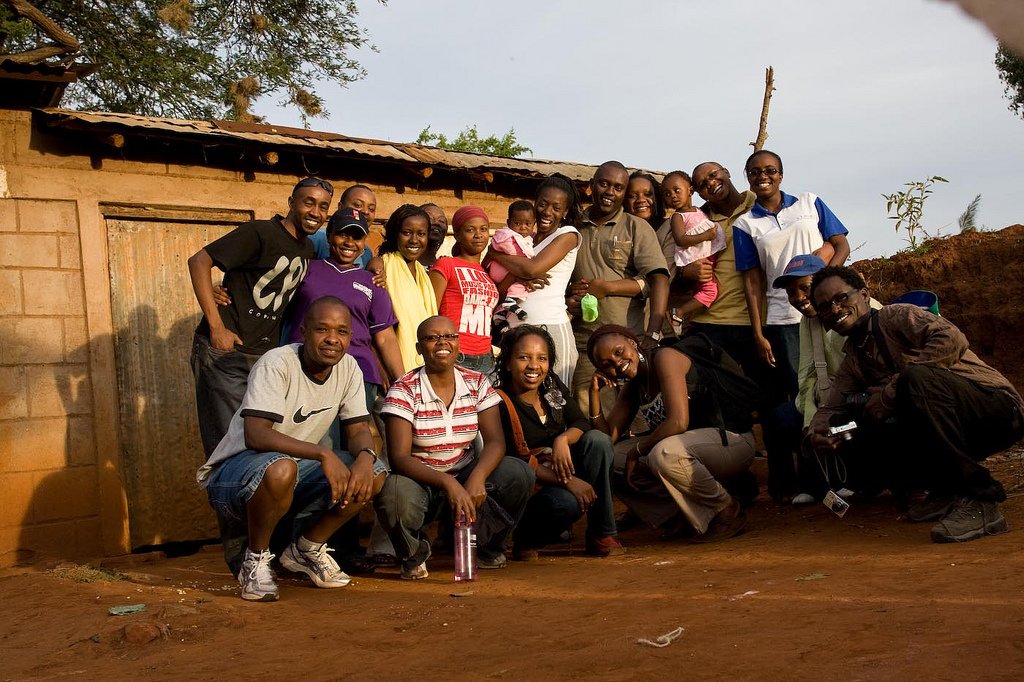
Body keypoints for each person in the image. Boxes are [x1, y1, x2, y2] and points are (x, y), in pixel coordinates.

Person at [808, 266, 1024, 544]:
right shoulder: (854, 357)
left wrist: (889, 392)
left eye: (840, 298)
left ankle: (981, 500)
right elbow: (830, 407)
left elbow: (952, 338)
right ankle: (944, 489)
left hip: (998, 410)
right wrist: (819, 432)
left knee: (914, 380)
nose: (835, 309)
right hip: (956, 423)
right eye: (825, 306)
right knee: (848, 425)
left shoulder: (895, 316)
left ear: (864, 295)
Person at [195, 297, 387, 601]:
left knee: (374, 473)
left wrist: (366, 456)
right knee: (282, 467)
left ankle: (307, 548)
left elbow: (359, 429)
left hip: (291, 470)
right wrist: (323, 453)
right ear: (304, 331)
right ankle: (255, 559)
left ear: (351, 337)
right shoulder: (277, 363)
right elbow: (256, 436)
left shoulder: (349, 367)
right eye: (322, 329)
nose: (332, 339)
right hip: (233, 478)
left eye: (341, 331)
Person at [375, 316, 535, 579]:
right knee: (393, 494)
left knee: (518, 472)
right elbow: (399, 457)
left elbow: (496, 442)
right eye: (432, 338)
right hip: (422, 480)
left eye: (450, 336)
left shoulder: (476, 383)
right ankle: (414, 554)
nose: (442, 343)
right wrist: (449, 484)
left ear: (458, 344)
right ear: (418, 348)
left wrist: (476, 478)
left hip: (465, 472)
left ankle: (488, 547)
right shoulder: (403, 390)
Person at [187, 176, 331, 456]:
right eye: (308, 203)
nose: (315, 212)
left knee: (262, 442)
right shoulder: (260, 232)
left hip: (263, 358)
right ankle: (227, 499)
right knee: (228, 446)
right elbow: (199, 261)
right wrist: (216, 326)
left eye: (323, 207)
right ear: (292, 203)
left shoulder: (308, 248)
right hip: (227, 353)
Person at [587, 325, 756, 541]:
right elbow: (607, 439)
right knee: (611, 459)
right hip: (694, 452)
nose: (617, 363)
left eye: (619, 352)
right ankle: (676, 516)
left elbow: (678, 422)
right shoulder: (635, 384)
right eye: (607, 364)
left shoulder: (665, 357)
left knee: (664, 453)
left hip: (733, 441)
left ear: (632, 342)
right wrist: (593, 395)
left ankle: (726, 509)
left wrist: (637, 450)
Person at [492, 326, 622, 558]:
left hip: (559, 467)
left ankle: (603, 533)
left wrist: (563, 439)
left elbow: (580, 423)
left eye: (542, 358)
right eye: (524, 358)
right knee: (565, 504)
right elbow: (516, 460)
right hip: (532, 484)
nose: (534, 366)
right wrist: (569, 482)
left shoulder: (551, 387)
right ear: (509, 362)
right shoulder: (498, 402)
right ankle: (526, 540)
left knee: (598, 441)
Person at [733, 149, 850, 393]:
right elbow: (752, 283)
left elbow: (841, 245)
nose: (762, 176)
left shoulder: (809, 203)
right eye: (755, 172)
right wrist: (758, 333)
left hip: (828, 306)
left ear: (781, 175)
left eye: (770, 170)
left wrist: (825, 287)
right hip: (784, 317)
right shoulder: (745, 224)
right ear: (748, 178)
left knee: (844, 371)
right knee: (803, 386)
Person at [772, 254, 881, 504]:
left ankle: (864, 480)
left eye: (804, 288)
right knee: (785, 417)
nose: (798, 298)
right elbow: (807, 374)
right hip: (830, 395)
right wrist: (813, 423)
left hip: (866, 396)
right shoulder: (808, 322)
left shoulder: (859, 311)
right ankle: (816, 484)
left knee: (849, 420)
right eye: (791, 292)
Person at [568, 161, 670, 411]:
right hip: (585, 347)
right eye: (604, 184)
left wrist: (653, 334)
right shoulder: (573, 228)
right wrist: (570, 298)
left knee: (634, 421)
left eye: (618, 187)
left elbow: (658, 281)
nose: (610, 192)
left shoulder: (636, 227)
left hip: (627, 348)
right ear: (592, 186)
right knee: (591, 419)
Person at [285, 207, 404, 417]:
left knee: (355, 439)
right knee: (316, 442)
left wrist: (403, 384)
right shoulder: (306, 269)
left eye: (357, 237)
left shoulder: (373, 282)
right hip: (307, 368)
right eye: (342, 234)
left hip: (359, 371)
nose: (350, 242)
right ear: (329, 235)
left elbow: (385, 337)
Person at [483, 174, 584, 388]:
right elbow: (500, 289)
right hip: (515, 332)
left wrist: (496, 253)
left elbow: (533, 269)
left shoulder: (568, 235)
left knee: (555, 399)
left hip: (551, 327)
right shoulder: (524, 240)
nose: (547, 212)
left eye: (556, 208)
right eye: (543, 204)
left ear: (565, 212)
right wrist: (516, 274)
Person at [430, 206, 501, 376]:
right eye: (470, 230)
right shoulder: (446, 265)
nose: (478, 235)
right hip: (456, 355)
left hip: (486, 358)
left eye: (483, 229)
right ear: (457, 235)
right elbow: (430, 312)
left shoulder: (488, 272)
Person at [661, 170, 726, 328]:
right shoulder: (678, 217)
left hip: (705, 257)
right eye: (667, 194)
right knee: (710, 291)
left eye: (677, 190)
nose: (673, 196)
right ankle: (679, 312)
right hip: (695, 260)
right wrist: (705, 236)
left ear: (690, 190)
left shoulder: (698, 210)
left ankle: (687, 317)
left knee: (705, 289)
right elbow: (681, 240)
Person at [378, 204, 439, 372]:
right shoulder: (382, 266)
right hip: (393, 366)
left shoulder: (423, 274)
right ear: (394, 234)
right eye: (406, 233)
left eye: (421, 234)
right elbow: (375, 325)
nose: (414, 240)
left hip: (424, 367)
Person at [487, 200, 537, 335]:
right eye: (517, 223)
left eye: (528, 224)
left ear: (534, 224)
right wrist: (532, 265)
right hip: (502, 270)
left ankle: (500, 315)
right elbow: (519, 255)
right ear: (509, 223)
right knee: (521, 284)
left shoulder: (526, 238)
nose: (523, 228)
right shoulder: (509, 236)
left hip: (501, 271)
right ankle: (510, 301)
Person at [309, 184, 377, 267]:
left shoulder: (367, 253)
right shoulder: (317, 237)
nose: (366, 211)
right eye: (358, 205)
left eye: (371, 209)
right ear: (340, 207)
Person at [419, 203, 449, 268]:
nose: (437, 223)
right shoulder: (400, 264)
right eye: (430, 218)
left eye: (441, 221)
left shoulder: (445, 267)